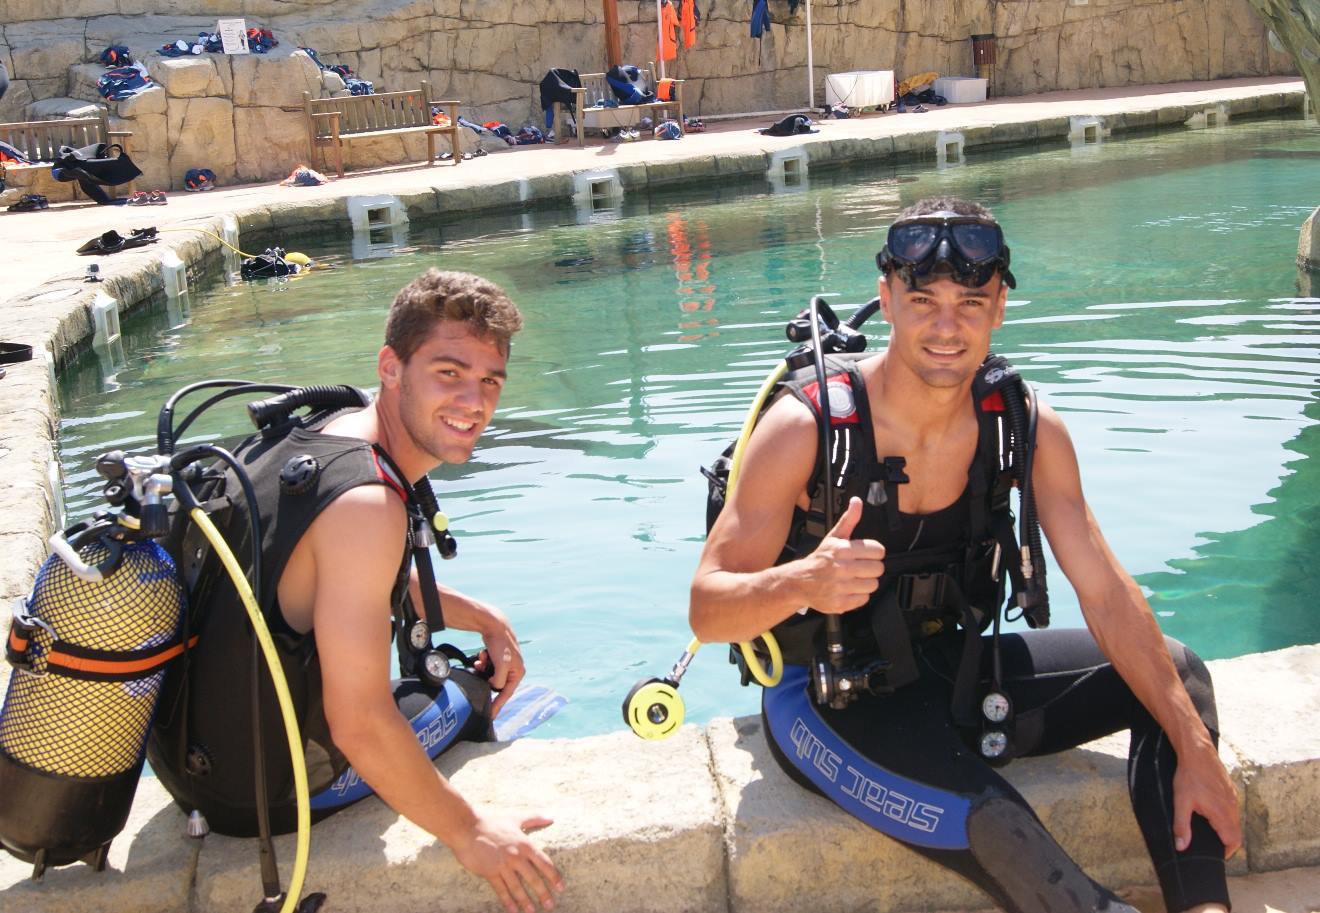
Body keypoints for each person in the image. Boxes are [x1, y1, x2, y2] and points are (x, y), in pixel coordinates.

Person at [688, 197, 1240, 913]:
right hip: (827, 701)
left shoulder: (1021, 424)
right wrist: (804, 581)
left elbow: (1105, 593)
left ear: (1000, 306)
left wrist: (1194, 747)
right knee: (999, 826)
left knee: (1180, 681)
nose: (947, 327)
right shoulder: (806, 430)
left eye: (971, 301)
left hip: (952, 671)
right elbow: (707, 609)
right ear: (886, 299)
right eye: (922, 300)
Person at [148, 269, 564, 913]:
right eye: (448, 373)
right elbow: (362, 725)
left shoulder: (327, 428)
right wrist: (472, 833)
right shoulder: (369, 506)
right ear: (391, 367)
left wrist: (480, 613)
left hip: (189, 763)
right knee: (460, 690)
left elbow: (338, 578)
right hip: (268, 796)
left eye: (489, 382)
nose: (474, 402)